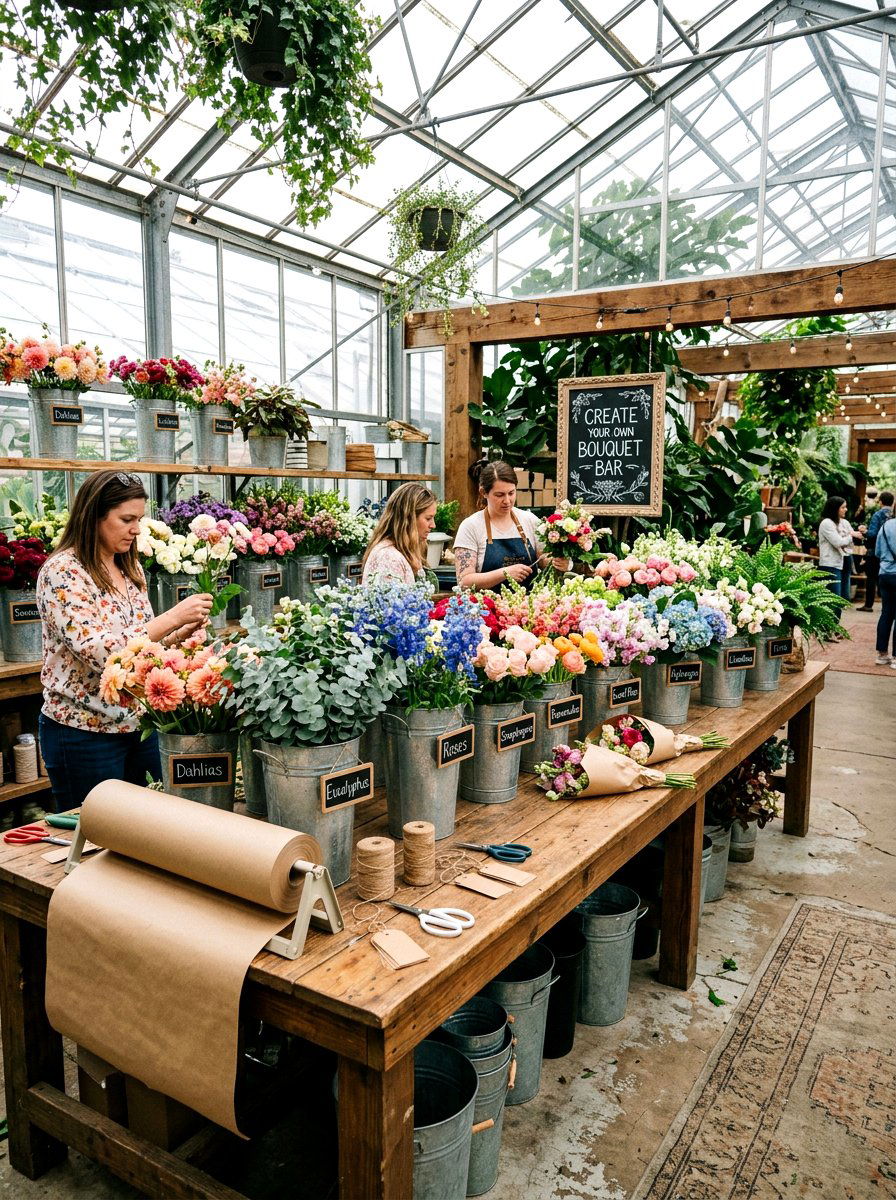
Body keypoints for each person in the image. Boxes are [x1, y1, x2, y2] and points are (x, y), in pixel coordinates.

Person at [36, 471, 214, 811]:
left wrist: (180, 634)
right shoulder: (63, 571)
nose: (136, 529)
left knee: (146, 829)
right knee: (96, 840)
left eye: (140, 519)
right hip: (84, 732)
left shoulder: (129, 568)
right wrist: (171, 618)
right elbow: (98, 650)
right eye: (126, 519)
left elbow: (141, 648)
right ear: (94, 517)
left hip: (139, 725)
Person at [453, 460, 570, 591]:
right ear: (483, 492)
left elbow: (544, 559)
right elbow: (464, 581)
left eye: (511, 493)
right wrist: (505, 573)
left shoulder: (529, 520)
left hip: (528, 606)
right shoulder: (471, 526)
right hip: (486, 608)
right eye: (499, 495)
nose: (507, 501)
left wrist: (558, 562)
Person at [361, 482, 437, 584]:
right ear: (409, 518)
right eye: (428, 518)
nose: (433, 525)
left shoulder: (404, 550)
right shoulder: (388, 557)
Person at [858, 490, 894, 612]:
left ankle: (868, 605)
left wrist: (864, 531)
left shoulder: (878, 515)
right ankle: (886, 605)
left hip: (875, 551)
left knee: (871, 577)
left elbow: (873, 534)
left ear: (881, 502)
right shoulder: (893, 515)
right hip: (891, 555)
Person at [817, 496, 855, 599]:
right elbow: (838, 542)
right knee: (834, 597)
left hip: (844, 560)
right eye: (843, 507)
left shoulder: (844, 522)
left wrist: (851, 536)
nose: (846, 510)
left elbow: (850, 539)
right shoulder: (827, 523)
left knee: (844, 597)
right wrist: (851, 536)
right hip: (831, 564)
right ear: (835, 508)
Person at [874, 507, 896, 667]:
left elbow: (877, 551)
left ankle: (882, 654)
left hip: (885, 573)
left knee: (886, 613)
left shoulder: (885, 525)